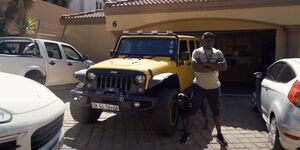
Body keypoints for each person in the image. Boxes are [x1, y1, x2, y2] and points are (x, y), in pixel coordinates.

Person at [180, 32, 228, 146]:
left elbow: (224, 66)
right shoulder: (197, 52)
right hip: (199, 87)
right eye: (206, 39)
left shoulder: (218, 52)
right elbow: (195, 67)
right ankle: (187, 133)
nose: (209, 41)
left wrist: (206, 64)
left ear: (213, 41)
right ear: (202, 40)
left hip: (214, 87)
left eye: (211, 40)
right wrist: (214, 66)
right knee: (192, 111)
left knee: (216, 112)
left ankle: (220, 135)